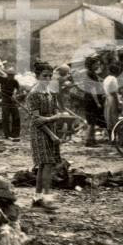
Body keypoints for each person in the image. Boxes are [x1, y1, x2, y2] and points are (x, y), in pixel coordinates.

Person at [26, 61, 77, 210]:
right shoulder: (34, 94)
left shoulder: (48, 92)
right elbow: (37, 120)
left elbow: (55, 113)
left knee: (44, 165)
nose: (47, 79)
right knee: (46, 164)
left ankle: (37, 197)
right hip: (41, 132)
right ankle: (47, 198)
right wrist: (52, 129)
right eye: (44, 76)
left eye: (49, 76)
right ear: (37, 76)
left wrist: (52, 121)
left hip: (50, 130)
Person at [82, 57, 106, 147]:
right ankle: (89, 141)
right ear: (92, 64)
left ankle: (92, 140)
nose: (98, 65)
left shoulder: (91, 73)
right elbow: (92, 89)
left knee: (92, 121)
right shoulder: (90, 74)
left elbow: (98, 80)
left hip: (89, 99)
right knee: (91, 122)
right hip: (91, 99)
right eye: (97, 63)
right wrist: (97, 102)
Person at [0, 67, 21, 139]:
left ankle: (15, 134)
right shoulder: (2, 80)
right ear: (7, 75)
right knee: (6, 118)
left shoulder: (15, 81)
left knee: (16, 117)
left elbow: (18, 90)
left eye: (13, 75)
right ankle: (7, 135)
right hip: (5, 101)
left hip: (12, 101)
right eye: (10, 75)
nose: (11, 76)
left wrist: (15, 95)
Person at [103, 61, 123, 139]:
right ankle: (114, 137)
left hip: (107, 99)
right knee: (114, 118)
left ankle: (110, 138)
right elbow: (114, 92)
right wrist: (118, 104)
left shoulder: (106, 79)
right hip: (112, 99)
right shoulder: (113, 79)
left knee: (108, 118)